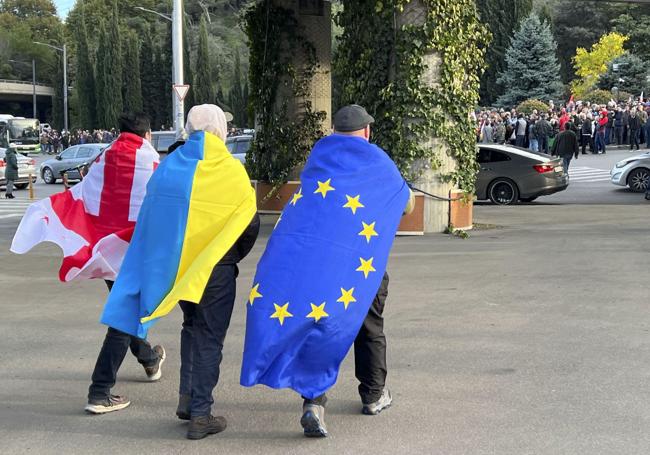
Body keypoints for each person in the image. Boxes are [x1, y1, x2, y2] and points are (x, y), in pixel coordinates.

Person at [174, 106, 260, 440]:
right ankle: (200, 414)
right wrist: (230, 256)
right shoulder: (231, 170)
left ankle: (187, 397)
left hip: (181, 268)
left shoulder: (172, 167)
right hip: (218, 270)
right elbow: (249, 223)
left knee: (190, 327)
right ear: (221, 130)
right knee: (210, 337)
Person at [85, 113, 166, 415]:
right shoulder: (150, 160)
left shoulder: (102, 158)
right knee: (124, 318)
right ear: (147, 134)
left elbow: (87, 195)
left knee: (127, 310)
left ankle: (149, 358)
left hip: (107, 250)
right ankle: (100, 391)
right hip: (136, 252)